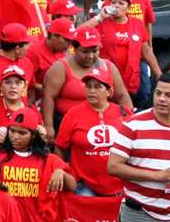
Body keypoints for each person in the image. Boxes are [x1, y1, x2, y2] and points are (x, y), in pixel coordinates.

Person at [109, 74, 170, 222]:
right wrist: (157, 176)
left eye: (169, 95)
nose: (162, 99)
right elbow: (113, 166)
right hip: (139, 213)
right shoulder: (134, 124)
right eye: (158, 93)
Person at [54, 64, 127, 196]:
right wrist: (63, 171)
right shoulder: (73, 114)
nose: (92, 91)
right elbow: (60, 147)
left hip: (120, 186)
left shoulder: (123, 113)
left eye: (97, 87)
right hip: (84, 186)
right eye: (89, 86)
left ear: (109, 91)